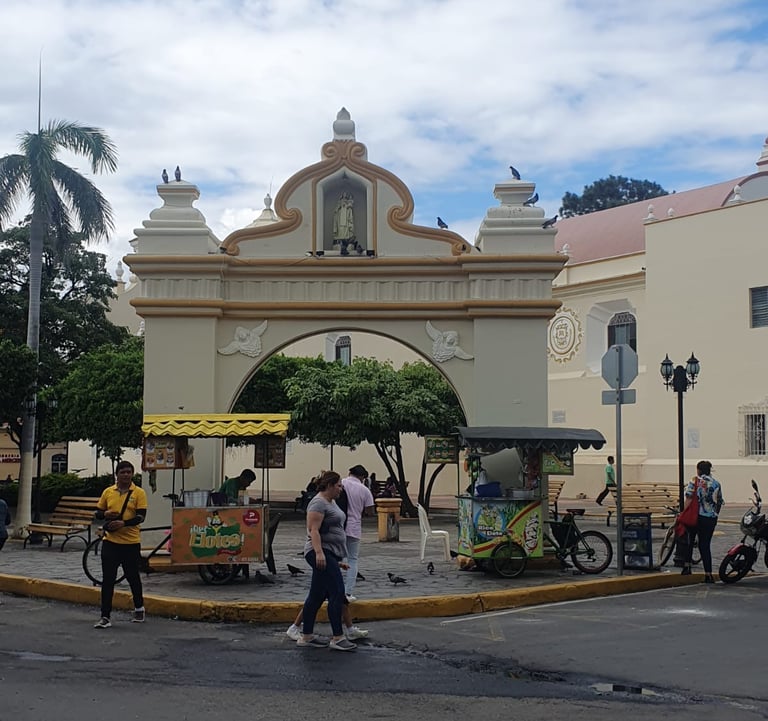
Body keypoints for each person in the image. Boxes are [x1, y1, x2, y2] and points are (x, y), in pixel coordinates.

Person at [296, 470, 356, 651]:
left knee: (316, 595)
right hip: (320, 552)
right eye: (338, 485)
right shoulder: (317, 503)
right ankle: (337, 637)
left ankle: (306, 636)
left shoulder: (332, 502)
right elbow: (313, 530)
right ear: (329, 486)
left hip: (330, 554)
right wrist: (320, 553)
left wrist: (335, 561)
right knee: (337, 592)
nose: (341, 489)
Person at [93, 460, 148, 628]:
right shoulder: (108, 492)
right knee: (108, 579)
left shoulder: (138, 493)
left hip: (130, 543)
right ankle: (105, 616)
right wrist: (106, 514)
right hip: (110, 541)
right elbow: (98, 513)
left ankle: (139, 608)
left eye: (129, 472)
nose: (126, 475)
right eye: (123, 472)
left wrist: (124, 524)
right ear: (117, 474)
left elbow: (141, 517)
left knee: (132, 577)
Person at [681, 460, 723, 582]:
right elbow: (719, 501)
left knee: (690, 540)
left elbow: (689, 498)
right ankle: (708, 573)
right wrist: (715, 514)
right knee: (705, 545)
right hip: (710, 518)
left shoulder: (694, 481)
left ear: (698, 470)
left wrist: (683, 512)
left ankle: (687, 566)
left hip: (696, 516)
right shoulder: (716, 484)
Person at [340, 464, 375, 601]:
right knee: (352, 560)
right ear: (363, 477)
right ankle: (348, 592)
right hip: (354, 527)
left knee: (336, 559)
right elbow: (370, 511)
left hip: (338, 526)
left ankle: (333, 589)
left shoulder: (341, 483)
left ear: (350, 472)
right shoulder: (364, 490)